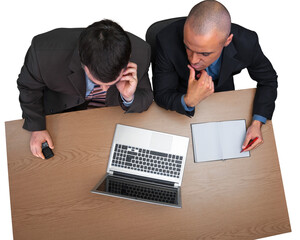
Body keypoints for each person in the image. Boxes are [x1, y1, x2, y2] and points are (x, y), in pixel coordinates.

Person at [17, 19, 153, 159]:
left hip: (108, 121)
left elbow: (146, 97)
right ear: (83, 63)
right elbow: (28, 88)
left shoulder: (141, 52)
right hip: (62, 114)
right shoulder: (43, 53)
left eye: (112, 83)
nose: (105, 89)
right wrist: (37, 128)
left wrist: (128, 97)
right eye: (98, 82)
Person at [153, 0, 277, 152]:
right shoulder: (166, 40)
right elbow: (161, 94)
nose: (193, 60)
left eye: (205, 53)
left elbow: (268, 79)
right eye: (188, 47)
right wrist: (188, 101)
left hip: (223, 96)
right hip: (180, 96)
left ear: (227, 41)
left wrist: (257, 122)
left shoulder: (246, 42)